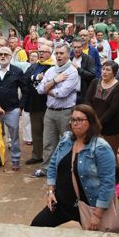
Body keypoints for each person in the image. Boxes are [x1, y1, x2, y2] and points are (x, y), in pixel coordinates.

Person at [31, 104, 117, 228]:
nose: (75, 123)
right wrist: (50, 191)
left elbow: (108, 183)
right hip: (62, 203)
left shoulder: (101, 147)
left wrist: (97, 214)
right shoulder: (66, 139)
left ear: (91, 122)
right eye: (73, 120)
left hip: (88, 205)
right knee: (37, 225)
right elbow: (53, 165)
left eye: (79, 120)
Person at [34, 44, 81, 177]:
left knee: (67, 142)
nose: (59, 56)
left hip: (66, 112)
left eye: (61, 53)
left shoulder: (72, 72)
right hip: (50, 111)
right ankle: (46, 169)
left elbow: (62, 93)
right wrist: (55, 80)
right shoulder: (51, 71)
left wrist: (48, 87)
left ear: (68, 55)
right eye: (57, 53)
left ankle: (66, 170)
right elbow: (39, 90)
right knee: (48, 142)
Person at [0, 47, 28, 170]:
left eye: (6, 54)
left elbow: (25, 91)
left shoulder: (17, 71)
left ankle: (15, 159)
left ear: (10, 57)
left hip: (12, 109)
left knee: (14, 136)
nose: (3, 56)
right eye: (0, 54)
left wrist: (20, 107)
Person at [84, 61, 119, 152]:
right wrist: (92, 119)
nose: (104, 72)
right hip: (92, 125)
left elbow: (113, 109)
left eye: (108, 70)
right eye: (103, 69)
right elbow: (87, 101)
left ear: (114, 73)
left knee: (108, 154)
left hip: (110, 128)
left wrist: (98, 123)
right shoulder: (95, 82)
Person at [24, 45, 53, 166]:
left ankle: (49, 158)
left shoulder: (53, 67)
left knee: (49, 133)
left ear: (50, 53)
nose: (41, 54)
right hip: (34, 103)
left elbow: (49, 81)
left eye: (44, 52)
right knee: (36, 131)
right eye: (39, 52)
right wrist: (35, 77)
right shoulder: (33, 66)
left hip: (48, 104)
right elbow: (25, 78)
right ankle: (37, 155)